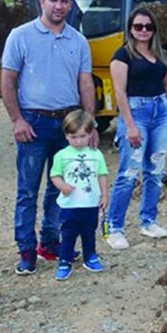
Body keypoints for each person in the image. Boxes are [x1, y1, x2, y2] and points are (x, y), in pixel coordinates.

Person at [2, 0, 96, 275]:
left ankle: (50, 243)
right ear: (42, 1)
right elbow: (8, 79)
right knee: (28, 190)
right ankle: (27, 250)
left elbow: (85, 82)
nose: (59, 6)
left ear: (71, 4)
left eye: (65, 1)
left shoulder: (78, 41)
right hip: (35, 122)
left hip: (69, 124)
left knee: (60, 189)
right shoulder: (21, 36)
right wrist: (17, 119)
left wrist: (89, 125)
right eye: (53, 0)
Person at [106, 7, 167, 249]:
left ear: (154, 29)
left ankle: (149, 220)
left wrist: (160, 103)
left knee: (155, 170)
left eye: (148, 26)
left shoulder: (160, 54)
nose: (143, 31)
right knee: (129, 172)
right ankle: (113, 227)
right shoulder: (122, 56)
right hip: (136, 113)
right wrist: (130, 125)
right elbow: (119, 92)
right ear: (131, 29)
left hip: (161, 111)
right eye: (138, 26)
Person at [50, 110, 109, 280]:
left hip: (90, 203)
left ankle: (90, 256)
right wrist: (62, 186)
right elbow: (55, 175)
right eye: (73, 136)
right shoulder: (62, 155)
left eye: (82, 136)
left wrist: (104, 195)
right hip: (70, 204)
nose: (78, 141)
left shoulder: (96, 155)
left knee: (89, 231)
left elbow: (102, 175)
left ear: (90, 134)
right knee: (68, 233)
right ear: (66, 136)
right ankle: (64, 260)